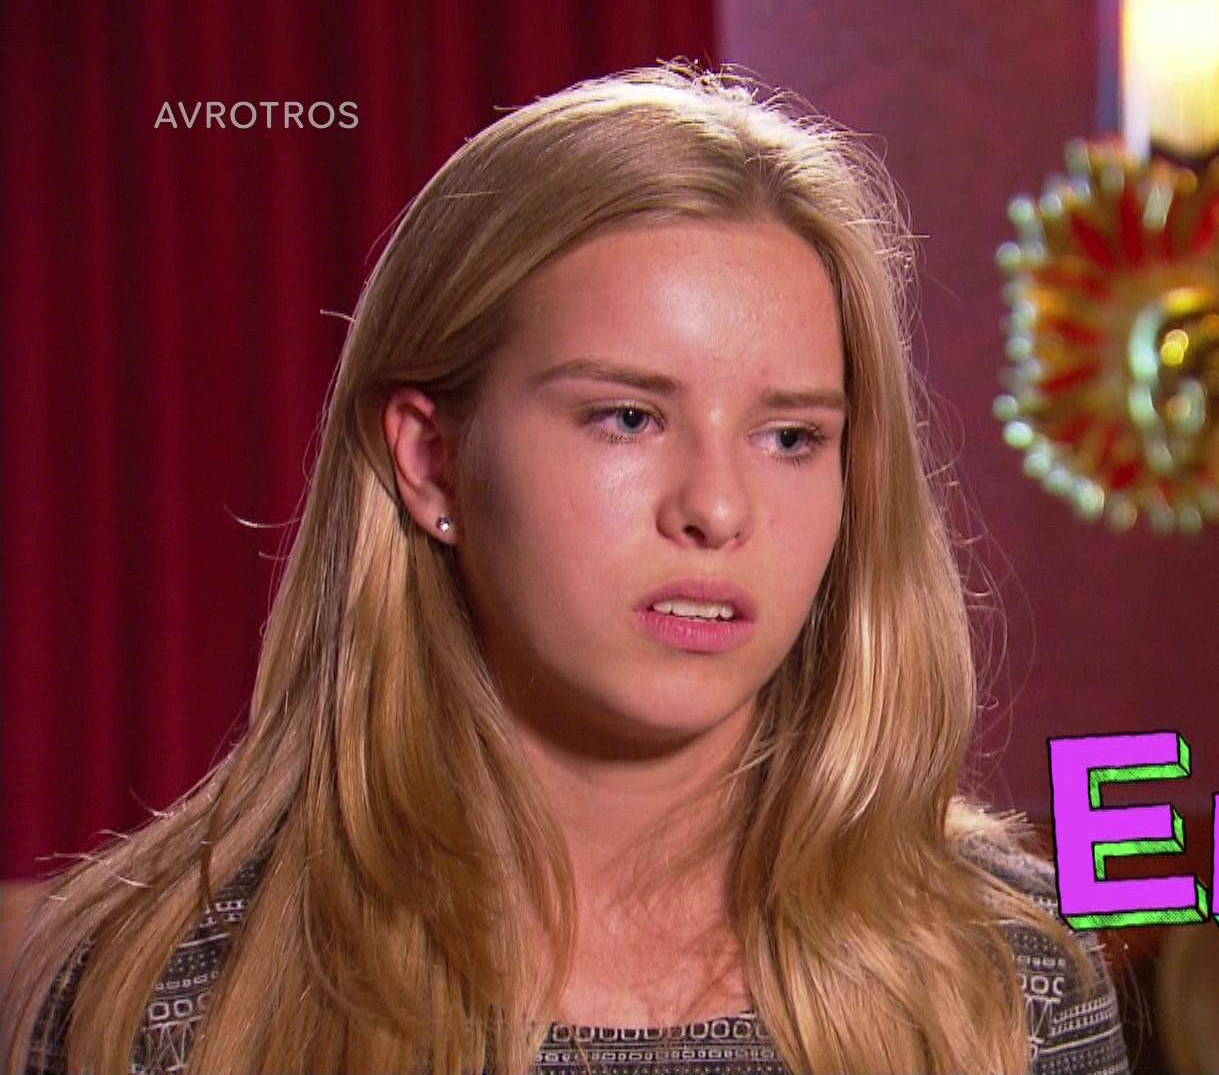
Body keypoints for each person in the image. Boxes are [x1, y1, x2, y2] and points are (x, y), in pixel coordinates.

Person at [0, 66, 1129, 1075]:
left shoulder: (1009, 972)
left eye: (790, 436)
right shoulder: (165, 995)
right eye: (628, 417)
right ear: (431, 460)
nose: (717, 509)